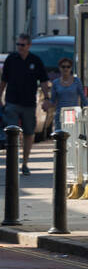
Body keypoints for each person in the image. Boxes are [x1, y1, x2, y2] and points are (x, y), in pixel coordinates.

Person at [0, 34, 51, 173]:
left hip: (29, 103)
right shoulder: (11, 59)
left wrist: (46, 98)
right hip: (12, 102)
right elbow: (4, 80)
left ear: (29, 46)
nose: (19, 47)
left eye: (22, 45)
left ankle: (25, 162)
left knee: (29, 132)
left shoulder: (35, 60)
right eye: (18, 45)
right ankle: (13, 161)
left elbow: (44, 81)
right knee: (12, 132)